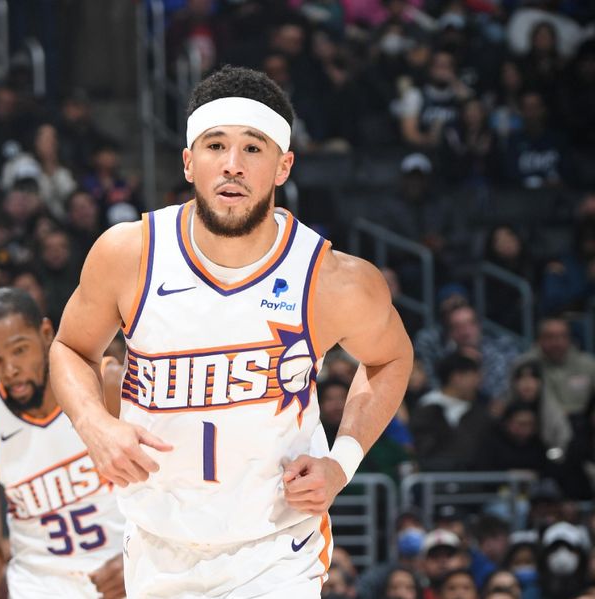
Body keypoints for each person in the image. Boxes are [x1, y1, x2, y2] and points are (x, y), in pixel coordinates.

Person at [49, 65, 413, 596]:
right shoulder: (129, 253)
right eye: (216, 146)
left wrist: (343, 460)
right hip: (156, 542)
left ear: (283, 165)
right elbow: (69, 348)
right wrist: (93, 424)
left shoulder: (332, 280)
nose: (233, 165)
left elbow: (390, 359)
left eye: (254, 148)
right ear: (189, 162)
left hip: (275, 550)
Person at [0, 288, 125, 598]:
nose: (9, 369)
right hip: (38, 584)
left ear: (46, 333)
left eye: (19, 350)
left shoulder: (106, 383)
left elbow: (174, 483)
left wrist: (141, 557)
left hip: (124, 572)